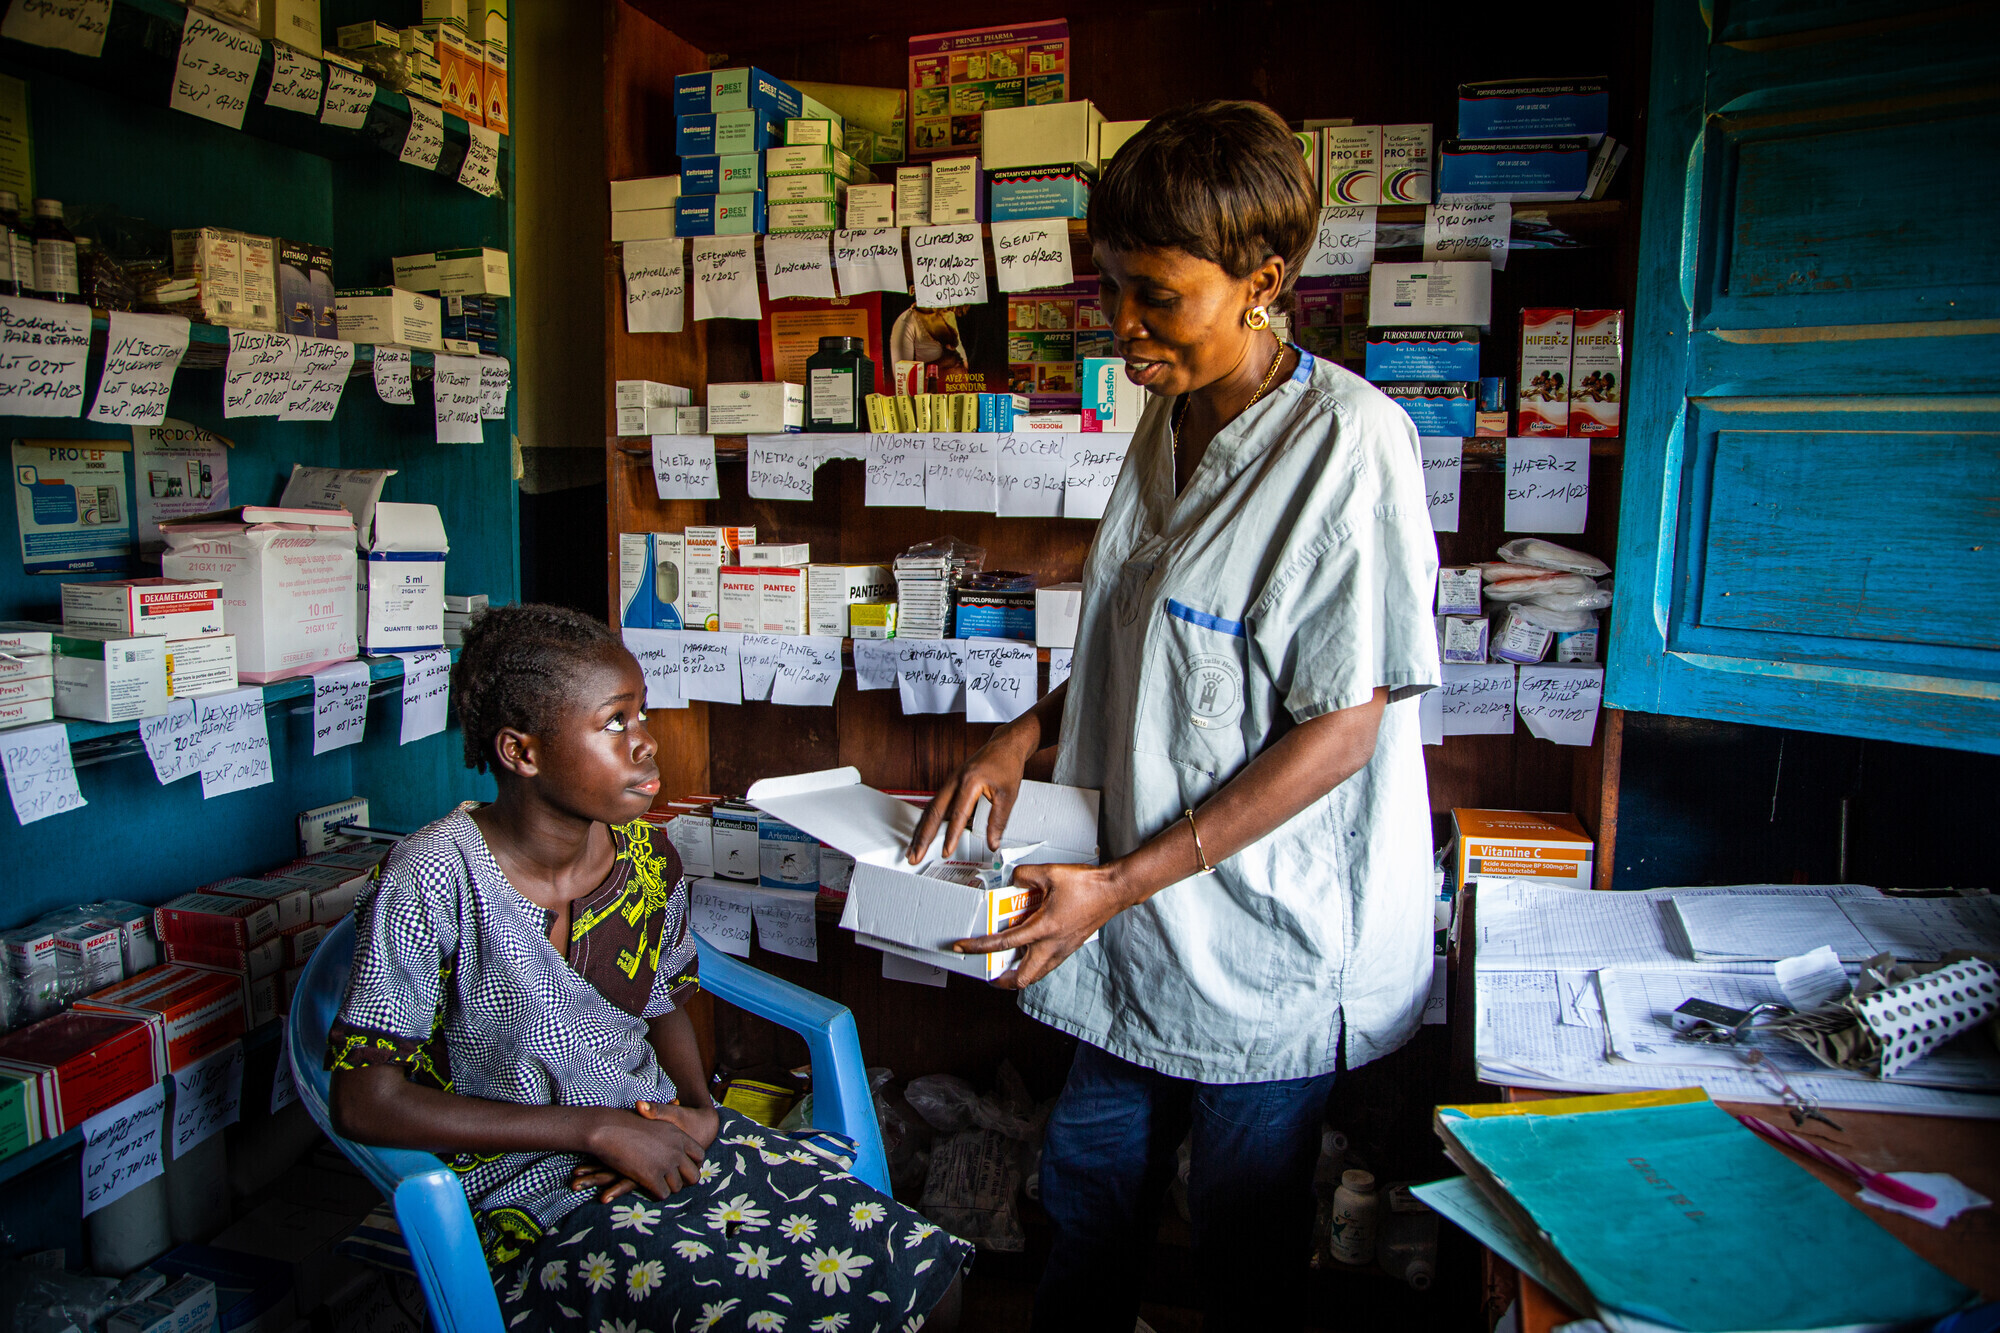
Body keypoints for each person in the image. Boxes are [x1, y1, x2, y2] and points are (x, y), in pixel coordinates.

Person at [907, 101, 1441, 1331]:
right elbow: (1144, 644)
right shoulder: (1168, 412)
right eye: (1112, 289)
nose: (1123, 328)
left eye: (1157, 296)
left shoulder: (1352, 449)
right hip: (1128, 912)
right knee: (1088, 1197)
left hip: (1264, 934)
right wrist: (1020, 732)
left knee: (1239, 1244)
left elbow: (1338, 732)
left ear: (1262, 282)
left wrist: (1117, 881)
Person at [328, 604, 970, 1332]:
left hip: (658, 1135)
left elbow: (663, 1001)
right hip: (529, 1192)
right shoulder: (432, 877)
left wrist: (696, 1110)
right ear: (522, 751)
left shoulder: (643, 856)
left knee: (924, 1275)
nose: (647, 743)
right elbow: (363, 1102)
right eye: (615, 722)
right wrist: (594, 1130)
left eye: (642, 714)